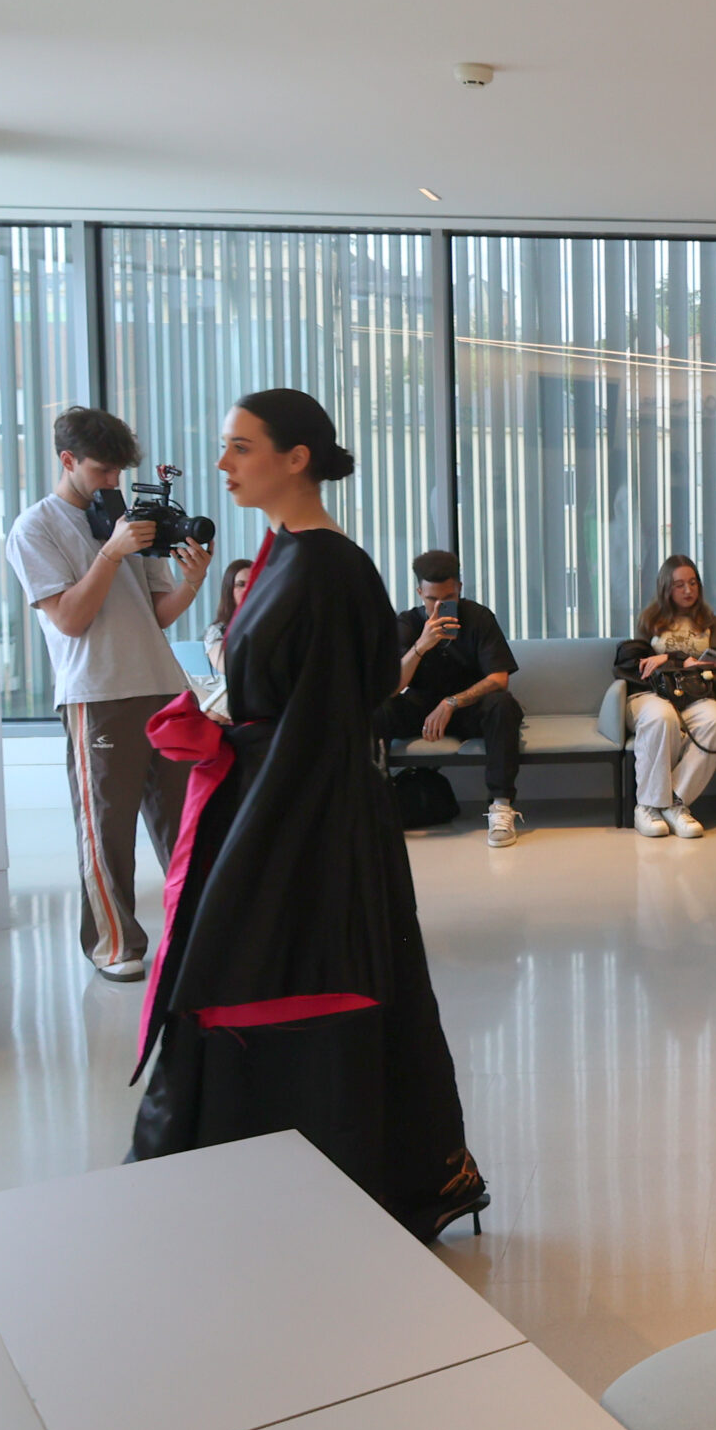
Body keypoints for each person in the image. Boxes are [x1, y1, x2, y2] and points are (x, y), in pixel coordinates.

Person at [130, 388, 488, 1245]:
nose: (223, 463)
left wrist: (252, 837)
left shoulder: (327, 568)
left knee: (262, 982)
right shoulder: (288, 552)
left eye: (241, 447)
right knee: (261, 986)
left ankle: (314, 1198)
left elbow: (330, 719)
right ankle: (255, 1193)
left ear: (297, 458)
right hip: (281, 800)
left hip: (303, 816)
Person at [3, 406, 212, 981]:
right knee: (106, 831)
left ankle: (202, 937)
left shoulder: (128, 518)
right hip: (97, 692)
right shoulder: (34, 527)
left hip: (165, 686)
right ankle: (115, 947)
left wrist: (193, 580)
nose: (113, 481)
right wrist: (110, 552)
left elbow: (158, 614)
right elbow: (70, 619)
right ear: (67, 460)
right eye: (102, 470)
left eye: (119, 471)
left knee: (188, 827)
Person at [376, 551, 526, 849]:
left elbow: (499, 678)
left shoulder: (479, 618)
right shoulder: (407, 623)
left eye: (448, 598)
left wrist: (451, 703)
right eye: (432, 599)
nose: (439, 607)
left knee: (502, 704)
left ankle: (501, 806)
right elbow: (391, 687)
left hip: (468, 709)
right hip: (421, 708)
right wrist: (421, 645)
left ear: (459, 588)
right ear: (419, 592)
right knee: (376, 708)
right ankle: (375, 798)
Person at [619, 555, 716, 840]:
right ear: (666, 588)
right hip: (653, 693)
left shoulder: (713, 623)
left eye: (693, 583)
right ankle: (647, 806)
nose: (688, 590)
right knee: (662, 717)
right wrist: (680, 659)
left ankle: (674, 802)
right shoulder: (649, 620)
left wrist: (672, 658)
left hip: (696, 693)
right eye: (679, 585)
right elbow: (640, 664)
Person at [203, 557, 254, 675]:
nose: (247, 589)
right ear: (229, 590)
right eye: (241, 584)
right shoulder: (216, 631)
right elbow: (227, 666)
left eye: (253, 583)